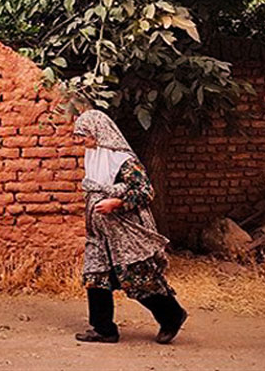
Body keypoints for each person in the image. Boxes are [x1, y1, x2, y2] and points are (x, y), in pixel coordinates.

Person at [72, 109, 188, 344]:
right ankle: (104, 329)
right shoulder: (94, 158)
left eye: (83, 135)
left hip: (124, 232)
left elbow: (146, 192)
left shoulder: (123, 162)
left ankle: (172, 316)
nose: (80, 141)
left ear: (99, 133)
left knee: (137, 278)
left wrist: (117, 203)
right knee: (96, 276)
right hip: (100, 234)